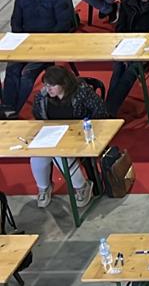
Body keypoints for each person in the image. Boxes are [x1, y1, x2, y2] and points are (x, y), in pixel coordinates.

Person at [3, 0, 75, 116]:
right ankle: (7, 108)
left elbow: (63, 24)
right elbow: (15, 21)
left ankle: (13, 111)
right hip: (24, 42)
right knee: (12, 69)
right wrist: (20, 41)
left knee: (27, 74)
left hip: (47, 44)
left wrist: (44, 43)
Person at [29, 66, 104, 209]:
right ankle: (44, 187)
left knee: (59, 155)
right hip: (53, 134)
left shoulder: (82, 92)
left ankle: (82, 186)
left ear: (63, 84)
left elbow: (100, 112)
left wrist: (85, 128)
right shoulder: (43, 96)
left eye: (52, 85)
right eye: (46, 84)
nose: (48, 88)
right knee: (37, 155)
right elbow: (38, 115)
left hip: (78, 134)